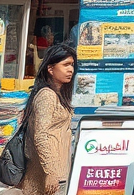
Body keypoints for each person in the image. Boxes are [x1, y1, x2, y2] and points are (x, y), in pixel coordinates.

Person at [20, 44, 77, 195]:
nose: (70, 69)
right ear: (50, 69)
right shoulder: (47, 95)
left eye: (72, 65)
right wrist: (50, 172)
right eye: (65, 65)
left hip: (60, 171)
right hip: (49, 174)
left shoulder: (58, 94)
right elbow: (41, 135)